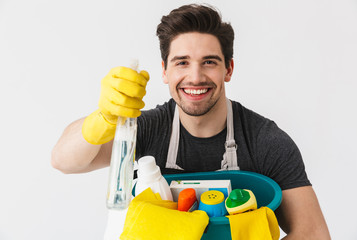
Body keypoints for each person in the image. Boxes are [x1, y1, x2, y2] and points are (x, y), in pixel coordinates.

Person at [51, 4, 331, 239]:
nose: (195, 77)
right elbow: (64, 160)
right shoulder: (144, 129)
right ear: (164, 70)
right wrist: (103, 118)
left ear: (228, 69)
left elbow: (313, 233)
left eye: (209, 62)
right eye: (182, 62)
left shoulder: (265, 141)